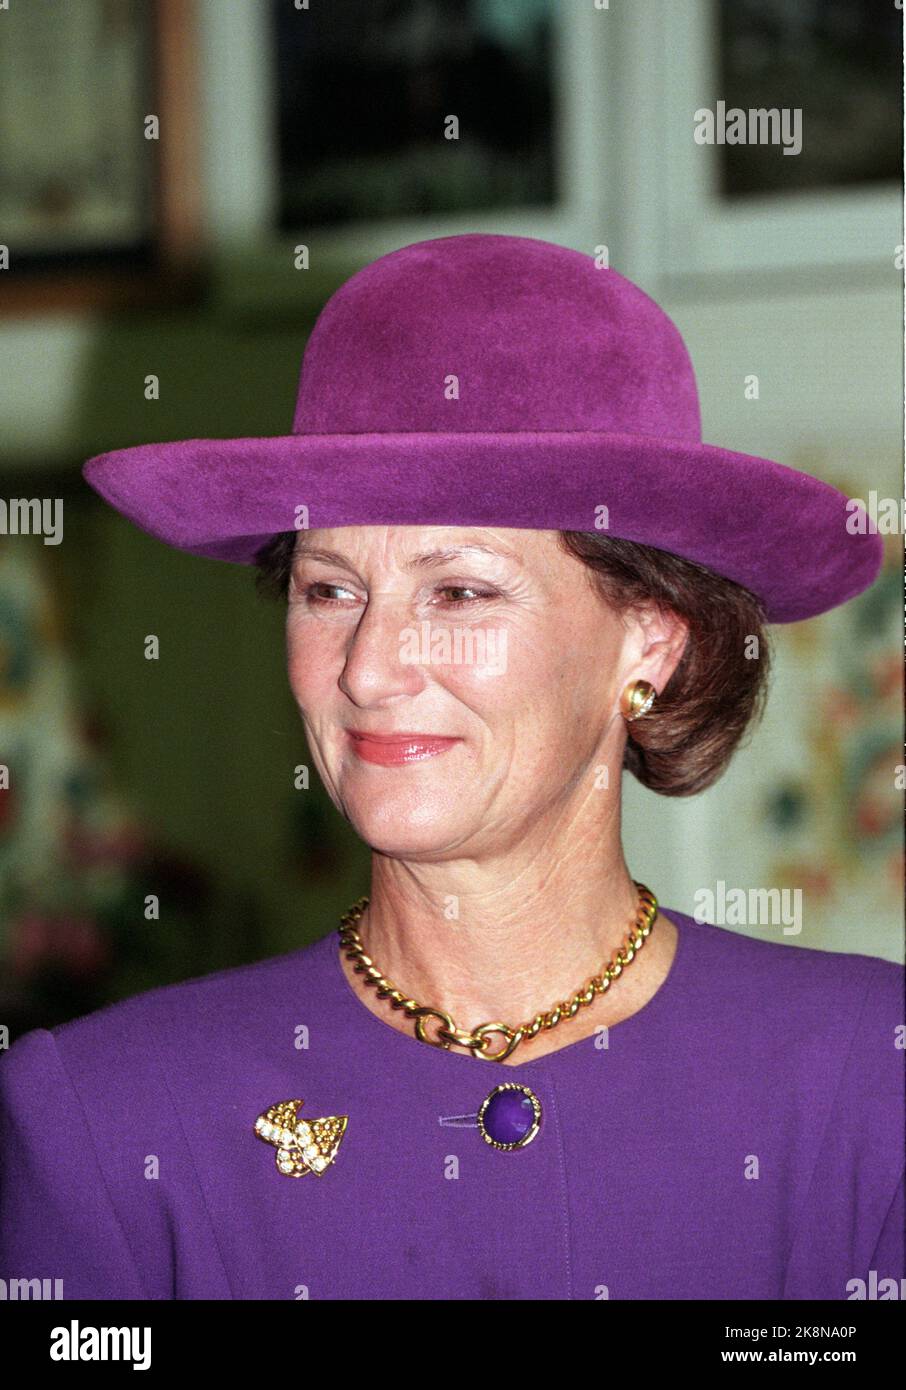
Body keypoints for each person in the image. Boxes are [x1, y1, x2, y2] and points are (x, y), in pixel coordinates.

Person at [1, 234, 901, 1301]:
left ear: (649, 642)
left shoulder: (867, 1084)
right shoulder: (108, 1119)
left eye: (460, 592)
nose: (370, 669)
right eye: (328, 589)